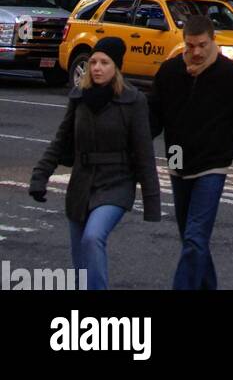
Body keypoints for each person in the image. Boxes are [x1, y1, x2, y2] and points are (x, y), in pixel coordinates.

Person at [148, 14, 233, 291]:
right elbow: (152, 118)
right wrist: (135, 148)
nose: (197, 52)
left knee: (194, 238)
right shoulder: (169, 73)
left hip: (213, 164)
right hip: (178, 162)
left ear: (213, 42)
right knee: (192, 241)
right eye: (190, 46)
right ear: (183, 43)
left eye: (202, 45)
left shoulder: (232, 76)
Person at [29, 36, 160, 290]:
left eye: (104, 62)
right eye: (93, 62)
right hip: (81, 184)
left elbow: (144, 154)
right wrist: (39, 177)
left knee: (93, 237)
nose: (97, 67)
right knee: (80, 267)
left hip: (117, 183)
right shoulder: (79, 96)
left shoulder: (133, 100)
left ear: (117, 67)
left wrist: (151, 203)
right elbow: (60, 141)